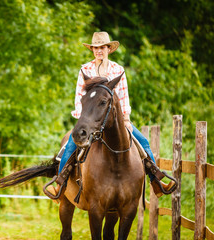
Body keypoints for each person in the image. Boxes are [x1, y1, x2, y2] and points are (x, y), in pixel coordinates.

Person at [48, 31, 176, 200]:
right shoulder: (85, 69)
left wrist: (126, 119)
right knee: (70, 146)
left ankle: (156, 182)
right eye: (95, 48)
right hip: (90, 119)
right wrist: (83, 119)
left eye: (102, 47)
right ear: (92, 50)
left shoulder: (118, 70)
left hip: (114, 120)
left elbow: (123, 96)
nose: (98, 51)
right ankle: (60, 185)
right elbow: (80, 97)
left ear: (109, 49)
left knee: (143, 142)